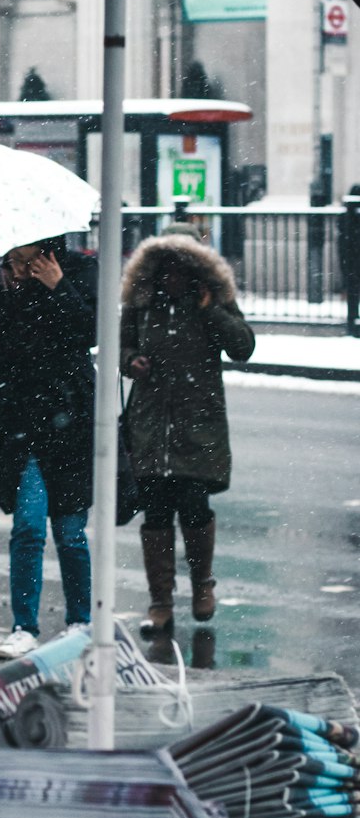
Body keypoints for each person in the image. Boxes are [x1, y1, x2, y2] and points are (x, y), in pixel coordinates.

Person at [119, 222, 255, 637]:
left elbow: (243, 346)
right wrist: (131, 362)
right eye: (167, 268)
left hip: (198, 426)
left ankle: (202, 587)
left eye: (182, 267)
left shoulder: (212, 300)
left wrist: (210, 308)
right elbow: (120, 346)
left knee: (195, 507)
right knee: (156, 513)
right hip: (151, 425)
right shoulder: (141, 303)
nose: (173, 276)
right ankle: (160, 602)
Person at [0, 237, 98, 659]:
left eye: (27, 258)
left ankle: (81, 622)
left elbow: (90, 333)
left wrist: (59, 286)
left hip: (71, 419)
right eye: (14, 258)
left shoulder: (77, 271)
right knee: (27, 528)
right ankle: (24, 625)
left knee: (70, 531)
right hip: (21, 423)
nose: (20, 266)